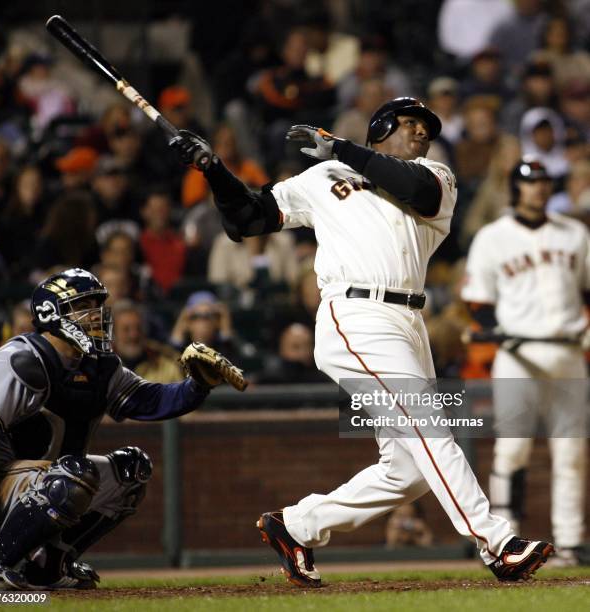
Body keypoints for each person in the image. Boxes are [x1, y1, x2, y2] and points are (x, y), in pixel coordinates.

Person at [170, 96, 554, 585]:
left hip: (411, 323)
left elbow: (412, 186)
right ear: (381, 129)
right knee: (429, 425)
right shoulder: (320, 179)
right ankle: (498, 543)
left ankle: (296, 526)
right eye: (410, 124)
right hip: (355, 313)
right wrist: (214, 170)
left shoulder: (436, 176)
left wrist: (341, 148)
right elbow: (246, 220)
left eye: (427, 128)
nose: (422, 134)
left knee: (407, 471)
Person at [0, 268, 245, 590]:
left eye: (98, 305)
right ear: (50, 313)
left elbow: (150, 401)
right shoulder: (21, 359)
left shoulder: (100, 365)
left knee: (132, 471)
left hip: (50, 480)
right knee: (72, 476)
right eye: (84, 307)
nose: (96, 316)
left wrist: (196, 387)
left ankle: (49, 564)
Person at [461, 159, 589, 568]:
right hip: (517, 355)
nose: (537, 189)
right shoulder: (493, 237)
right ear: (514, 188)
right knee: (511, 450)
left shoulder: (575, 234)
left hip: (569, 350)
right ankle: (504, 539)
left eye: (543, 183)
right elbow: (478, 300)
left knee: (572, 452)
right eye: (529, 183)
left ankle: (570, 542)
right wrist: (494, 327)